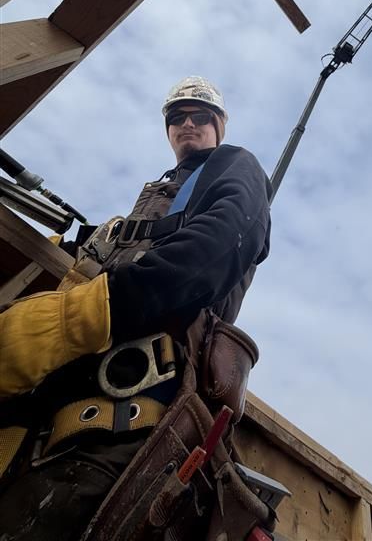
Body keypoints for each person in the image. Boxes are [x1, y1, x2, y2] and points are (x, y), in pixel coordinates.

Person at [0, 76, 273, 541]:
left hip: (123, 422)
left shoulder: (235, 166)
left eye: (201, 115)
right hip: (51, 418)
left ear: (220, 125)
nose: (188, 123)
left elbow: (212, 252)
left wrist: (87, 315)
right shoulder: (153, 202)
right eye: (177, 117)